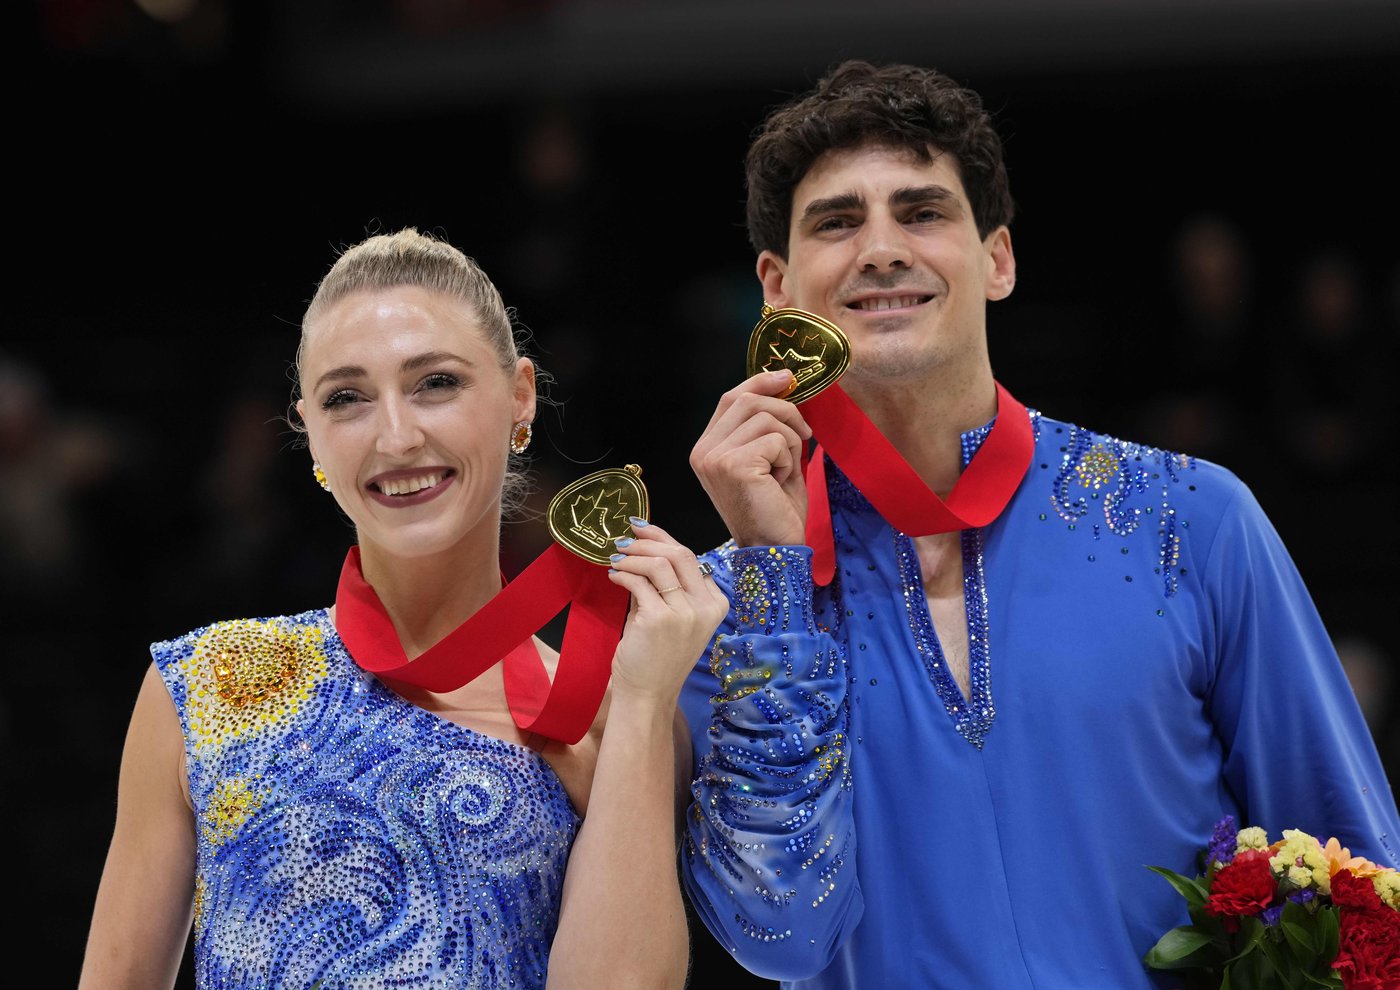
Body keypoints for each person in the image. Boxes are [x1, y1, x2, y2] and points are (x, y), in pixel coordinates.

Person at [678, 60, 1400, 989]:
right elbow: (777, 933)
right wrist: (777, 579)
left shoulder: (1189, 518)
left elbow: (1357, 887)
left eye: (924, 211)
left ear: (999, 259)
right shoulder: (722, 603)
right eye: (837, 221)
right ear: (776, 286)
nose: (883, 248)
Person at [79, 227, 728, 989]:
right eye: (347, 398)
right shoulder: (205, 684)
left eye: (436, 383)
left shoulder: (610, 714)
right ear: (310, 433)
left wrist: (648, 702)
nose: (396, 434)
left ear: (520, 396)